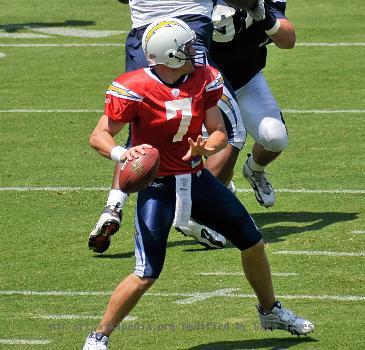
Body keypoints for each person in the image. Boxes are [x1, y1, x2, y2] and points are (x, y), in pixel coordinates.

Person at [83, 18, 313, 350]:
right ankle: (98, 337)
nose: (195, 50)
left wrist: (208, 146)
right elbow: (99, 135)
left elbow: (217, 129)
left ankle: (270, 310)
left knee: (253, 242)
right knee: (146, 271)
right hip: (158, 186)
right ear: (171, 55)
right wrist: (124, 155)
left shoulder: (206, 78)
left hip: (196, 178)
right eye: (188, 47)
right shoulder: (134, 87)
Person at [87, 0, 263, 252]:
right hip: (186, 29)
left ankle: (113, 206)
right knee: (232, 130)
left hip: (145, 37)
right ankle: (194, 209)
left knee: (137, 131)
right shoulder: (194, 61)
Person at [210, 0, 295, 207]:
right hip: (207, 86)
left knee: (275, 137)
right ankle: (219, 197)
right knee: (216, 151)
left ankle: (254, 170)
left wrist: (265, 18)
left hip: (246, 79)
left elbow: (288, 39)